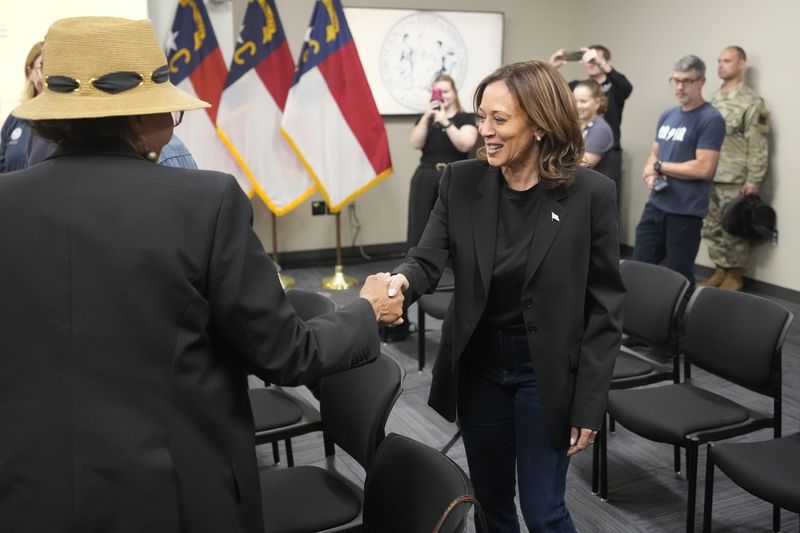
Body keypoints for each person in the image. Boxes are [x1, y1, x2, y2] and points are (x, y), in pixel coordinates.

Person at [0, 17, 403, 533]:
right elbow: (284, 352)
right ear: (139, 117)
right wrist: (366, 312)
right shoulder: (203, 202)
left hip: (29, 490)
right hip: (174, 496)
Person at [386, 60, 625, 532]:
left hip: (547, 369)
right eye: (481, 118)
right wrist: (400, 283)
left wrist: (589, 401)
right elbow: (427, 258)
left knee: (544, 510)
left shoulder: (590, 193)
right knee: (491, 503)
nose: (485, 132)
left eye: (499, 120)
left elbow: (606, 307)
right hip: (481, 366)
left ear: (538, 124)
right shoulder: (460, 181)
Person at [633, 55, 725, 292]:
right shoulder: (668, 115)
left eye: (687, 81)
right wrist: (651, 172)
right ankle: (638, 322)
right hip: (656, 205)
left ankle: (676, 328)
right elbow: (655, 154)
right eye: (675, 80)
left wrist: (660, 167)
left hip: (685, 212)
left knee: (678, 277)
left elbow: (704, 168)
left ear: (701, 81)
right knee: (639, 267)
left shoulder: (710, 118)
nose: (679, 87)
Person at [701, 46, 769, 291]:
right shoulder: (713, 98)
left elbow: (758, 144)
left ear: (741, 64)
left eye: (727, 61)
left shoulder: (752, 101)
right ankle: (720, 269)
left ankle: (735, 275)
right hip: (710, 173)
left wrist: (754, 179)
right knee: (712, 226)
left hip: (736, 177)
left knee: (734, 228)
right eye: (719, 61)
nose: (721, 65)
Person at [407, 74, 478, 249]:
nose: (442, 96)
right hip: (426, 174)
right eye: (438, 91)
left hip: (455, 175)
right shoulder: (426, 118)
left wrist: (444, 121)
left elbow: (465, 145)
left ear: (454, 93)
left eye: (446, 91)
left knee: (456, 224)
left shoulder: (464, 118)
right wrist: (427, 116)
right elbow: (415, 143)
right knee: (420, 224)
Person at [0, 41, 43, 173]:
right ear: (30, 73)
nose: (47, 76)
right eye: (42, 68)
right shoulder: (16, 118)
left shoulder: (65, 118)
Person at [573, 79, 614, 169]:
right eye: (575, 101)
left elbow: (583, 164)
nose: (578, 106)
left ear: (597, 103)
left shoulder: (600, 129)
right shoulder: (575, 125)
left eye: (583, 101)